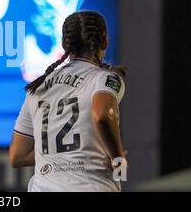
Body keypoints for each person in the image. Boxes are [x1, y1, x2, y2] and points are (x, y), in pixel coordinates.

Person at [9, 11, 127, 191]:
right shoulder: (104, 79)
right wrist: (118, 159)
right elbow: (103, 114)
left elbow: (17, 156)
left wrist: (62, 155)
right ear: (105, 41)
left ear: (65, 44)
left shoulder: (37, 87)